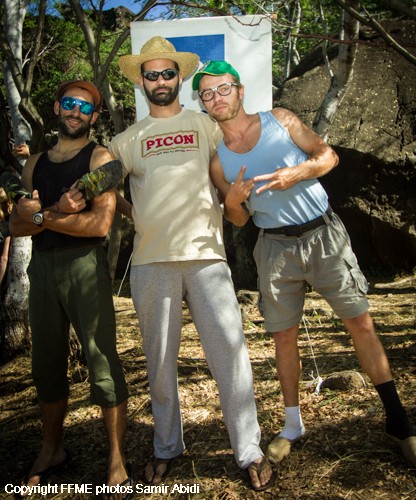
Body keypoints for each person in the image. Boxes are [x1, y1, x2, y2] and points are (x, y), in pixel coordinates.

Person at [194, 60, 416, 470]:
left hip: (323, 235)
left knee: (361, 324)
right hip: (274, 248)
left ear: (240, 91)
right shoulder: (218, 161)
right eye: (207, 94)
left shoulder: (281, 120)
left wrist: (299, 172)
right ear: (202, 103)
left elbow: (328, 157)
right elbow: (239, 219)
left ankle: (400, 422)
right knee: (283, 338)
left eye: (224, 89)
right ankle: (292, 426)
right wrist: (231, 203)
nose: (217, 98)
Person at [110, 37, 274, 491]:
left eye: (168, 73)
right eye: (152, 74)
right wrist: (136, 215)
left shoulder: (205, 124)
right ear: (142, 82)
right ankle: (167, 446)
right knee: (159, 363)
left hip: (207, 257)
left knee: (231, 355)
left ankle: (248, 449)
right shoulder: (125, 140)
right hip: (150, 262)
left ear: (179, 78)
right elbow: (107, 189)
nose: (160, 80)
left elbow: (236, 162)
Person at [9, 80, 131, 496]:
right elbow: (16, 226)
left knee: (101, 359)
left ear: (94, 116)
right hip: (42, 268)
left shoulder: (100, 159)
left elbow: (98, 225)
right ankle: (51, 449)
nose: (76, 111)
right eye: (69, 103)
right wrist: (50, 215)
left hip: (84, 267)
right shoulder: (33, 164)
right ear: (57, 108)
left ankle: (116, 458)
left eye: (85, 107)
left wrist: (43, 216)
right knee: (45, 362)